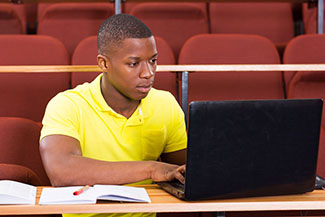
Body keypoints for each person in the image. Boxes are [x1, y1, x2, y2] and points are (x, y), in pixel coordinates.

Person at [39, 14, 187, 217]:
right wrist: (152, 169)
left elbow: (185, 170)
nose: (148, 73)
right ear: (104, 64)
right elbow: (61, 171)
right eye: (134, 64)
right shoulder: (67, 105)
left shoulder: (165, 103)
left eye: (153, 61)